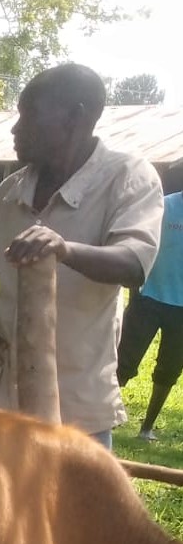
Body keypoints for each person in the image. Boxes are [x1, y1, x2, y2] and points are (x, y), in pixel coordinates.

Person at [0, 63, 163, 448]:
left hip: (76, 411)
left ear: (75, 116)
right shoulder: (10, 192)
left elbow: (134, 262)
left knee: (67, 509)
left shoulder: (128, 178)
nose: (16, 129)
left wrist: (64, 249)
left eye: (30, 114)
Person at [117, 159, 183, 440]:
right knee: (124, 360)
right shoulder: (165, 206)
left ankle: (146, 429)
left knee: (169, 369)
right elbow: (141, 245)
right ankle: (102, 414)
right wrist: (136, 290)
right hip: (150, 296)